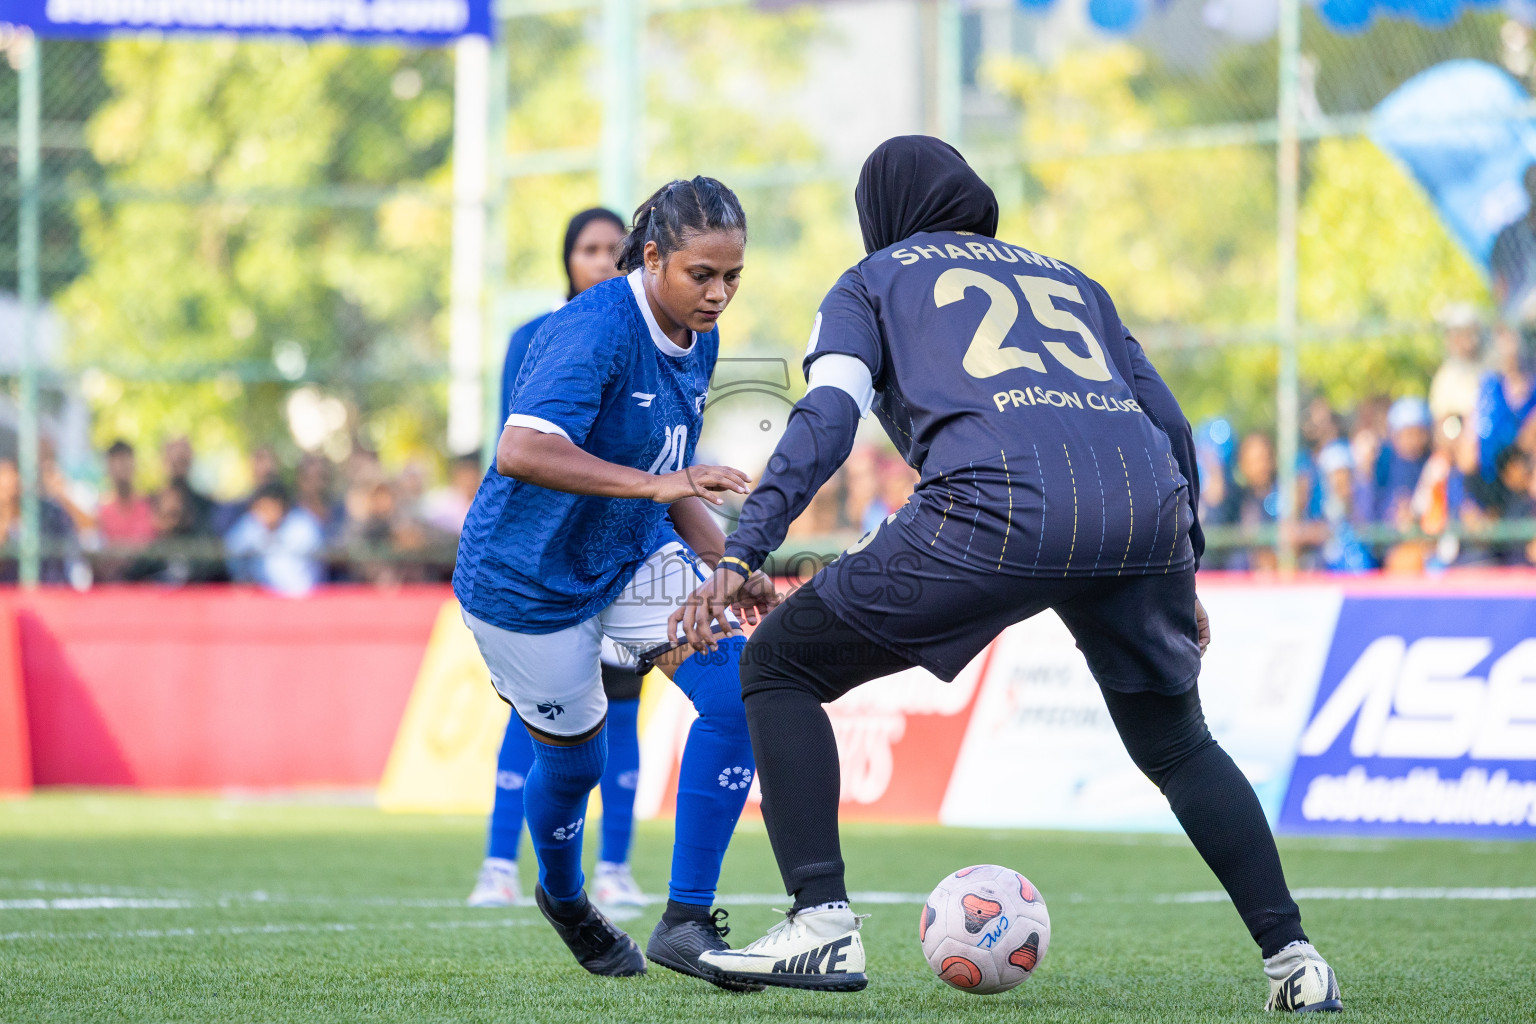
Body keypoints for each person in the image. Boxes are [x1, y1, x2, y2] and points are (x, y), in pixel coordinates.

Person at [673, 138, 1341, 1011]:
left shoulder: (871, 280)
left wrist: (745, 549)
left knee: (779, 666)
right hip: (1140, 515)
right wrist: (1186, 565)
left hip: (995, 508)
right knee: (1178, 743)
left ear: (880, 212)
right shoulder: (1072, 281)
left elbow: (829, 414)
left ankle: (822, 923)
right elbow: (1170, 423)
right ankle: (1295, 960)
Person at [453, 178, 775, 986]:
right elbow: (520, 451)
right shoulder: (593, 328)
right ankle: (564, 900)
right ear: (655, 257)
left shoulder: (700, 336)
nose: (719, 293)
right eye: (702, 274)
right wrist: (657, 489)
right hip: (523, 586)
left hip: (628, 557)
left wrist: (733, 571)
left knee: (741, 697)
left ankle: (686, 921)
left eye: (733, 276)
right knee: (575, 769)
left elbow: (679, 479)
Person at [464, 207, 655, 912]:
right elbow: (515, 446)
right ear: (566, 258)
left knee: (625, 712)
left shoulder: (660, 339)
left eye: (615, 249)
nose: (603, 261)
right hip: (546, 560)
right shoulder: (533, 338)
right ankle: (496, 865)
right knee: (535, 715)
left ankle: (616, 869)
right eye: (589, 249)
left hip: (625, 553)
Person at [224, 482, 325, 595]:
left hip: (301, 598)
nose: (265, 514)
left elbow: (312, 570)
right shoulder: (250, 525)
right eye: (261, 508)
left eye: (269, 507)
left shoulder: (304, 526)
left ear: (282, 505)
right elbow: (232, 554)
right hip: (261, 599)